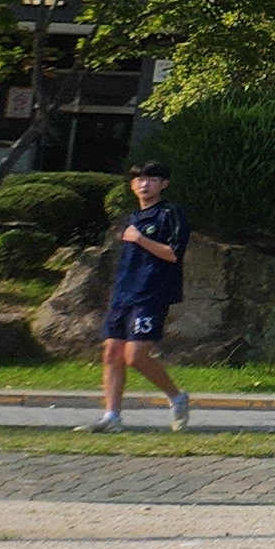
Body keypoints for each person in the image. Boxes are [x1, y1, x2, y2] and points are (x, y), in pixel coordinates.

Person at [84, 159, 190, 434]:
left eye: (152, 179)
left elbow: (173, 253)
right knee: (112, 353)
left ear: (163, 184)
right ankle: (112, 417)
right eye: (139, 180)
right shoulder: (132, 219)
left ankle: (176, 397)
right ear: (132, 185)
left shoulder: (170, 213)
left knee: (135, 356)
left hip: (152, 293)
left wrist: (140, 238)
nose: (144, 184)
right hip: (123, 293)